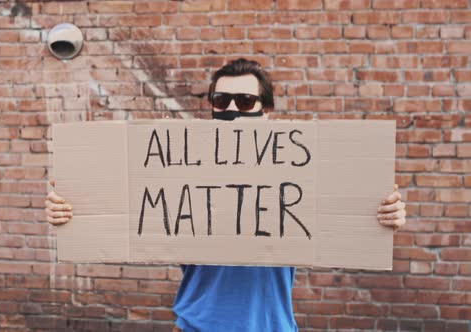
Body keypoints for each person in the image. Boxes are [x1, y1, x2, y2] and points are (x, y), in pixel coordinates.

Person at [45, 58, 407, 332]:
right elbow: (120, 205)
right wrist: (72, 211)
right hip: (196, 324)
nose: (232, 109)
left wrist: (386, 216)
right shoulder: (181, 169)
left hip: (270, 326)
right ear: (213, 106)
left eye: (246, 101)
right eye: (222, 99)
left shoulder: (296, 170)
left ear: (266, 111)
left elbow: (348, 214)